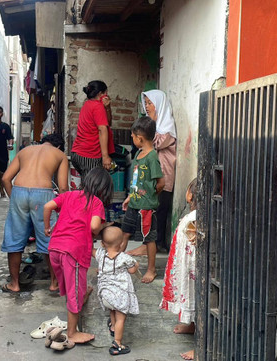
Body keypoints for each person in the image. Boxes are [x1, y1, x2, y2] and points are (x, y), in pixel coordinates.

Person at [44, 167, 114, 344]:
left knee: (71, 284)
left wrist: (46, 227)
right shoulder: (96, 202)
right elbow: (94, 227)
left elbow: (48, 206)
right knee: (74, 289)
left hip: (54, 248)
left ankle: (82, 296)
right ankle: (72, 332)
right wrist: (103, 228)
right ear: (104, 190)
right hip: (73, 251)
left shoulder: (69, 195)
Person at [0, 134, 69, 293]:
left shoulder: (25, 151)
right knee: (49, 240)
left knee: (15, 240)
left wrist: (15, 200)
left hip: (19, 191)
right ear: (58, 147)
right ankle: (54, 283)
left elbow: (5, 179)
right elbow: (64, 188)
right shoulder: (60, 155)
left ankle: (14, 284)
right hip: (43, 194)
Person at [129, 90, 177, 255]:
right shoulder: (156, 127)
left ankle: (154, 244)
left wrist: (151, 124)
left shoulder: (167, 130)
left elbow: (151, 143)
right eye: (146, 103)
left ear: (160, 105)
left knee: (158, 211)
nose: (147, 107)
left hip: (162, 176)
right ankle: (151, 243)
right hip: (150, 178)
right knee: (150, 212)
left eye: (150, 103)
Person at [120, 116, 164, 284]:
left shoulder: (152, 157)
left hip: (146, 207)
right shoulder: (138, 154)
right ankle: (117, 264)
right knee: (125, 233)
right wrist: (131, 196)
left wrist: (151, 195)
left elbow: (161, 182)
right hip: (134, 203)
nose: (132, 139)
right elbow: (138, 180)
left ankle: (151, 269)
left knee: (149, 238)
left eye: (132, 136)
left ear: (140, 138)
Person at [160, 178, 198, 360]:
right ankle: (192, 324)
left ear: (189, 195)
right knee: (191, 296)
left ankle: (201, 346)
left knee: (197, 299)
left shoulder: (198, 218)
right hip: (187, 269)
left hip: (194, 271)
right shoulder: (193, 217)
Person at [93, 226, 139, 356]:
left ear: (102, 243)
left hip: (105, 294)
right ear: (121, 243)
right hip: (119, 295)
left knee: (112, 310)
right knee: (121, 319)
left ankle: (113, 328)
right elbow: (132, 270)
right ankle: (117, 343)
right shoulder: (124, 258)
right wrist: (136, 265)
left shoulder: (101, 254)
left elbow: (91, 251)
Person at [71, 80, 115, 179]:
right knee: (93, 189)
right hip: (89, 155)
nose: (107, 96)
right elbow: (103, 129)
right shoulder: (97, 107)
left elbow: (108, 123)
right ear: (100, 94)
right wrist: (105, 156)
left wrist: (108, 108)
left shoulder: (87, 104)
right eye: (106, 93)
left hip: (78, 153)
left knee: (87, 186)